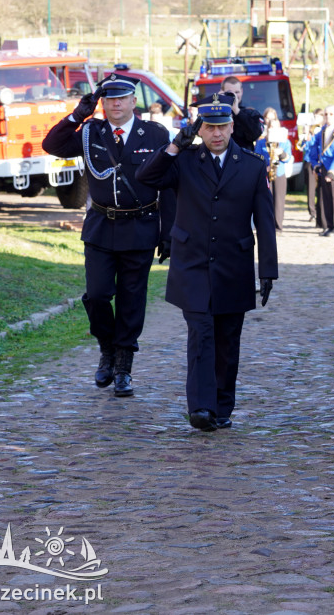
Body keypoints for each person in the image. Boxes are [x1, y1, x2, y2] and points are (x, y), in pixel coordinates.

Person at [136, 94, 278, 432]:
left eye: (222, 126)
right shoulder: (184, 160)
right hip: (193, 264)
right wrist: (174, 146)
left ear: (232, 127)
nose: (216, 133)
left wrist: (267, 271)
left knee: (227, 339)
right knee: (201, 334)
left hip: (234, 265)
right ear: (199, 129)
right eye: (209, 127)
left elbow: (265, 221)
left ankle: (221, 406)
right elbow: (146, 177)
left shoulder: (253, 165)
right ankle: (201, 407)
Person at [42, 73, 175, 398]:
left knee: (132, 299)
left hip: (140, 227)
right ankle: (106, 347)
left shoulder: (155, 133)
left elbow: (169, 184)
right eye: (109, 99)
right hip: (101, 227)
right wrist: (78, 115)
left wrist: (168, 231)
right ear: (102, 103)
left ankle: (123, 366)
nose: (115, 104)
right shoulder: (91, 132)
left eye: (122, 98)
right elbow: (52, 145)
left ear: (133, 101)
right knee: (98, 294)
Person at [307, 106, 334, 236]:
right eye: (326, 114)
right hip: (324, 167)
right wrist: (315, 164)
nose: (328, 116)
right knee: (326, 197)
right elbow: (313, 147)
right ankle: (330, 225)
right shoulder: (322, 130)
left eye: (331, 114)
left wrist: (333, 171)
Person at [257, 107, 290, 230]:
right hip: (266, 173)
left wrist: (281, 153)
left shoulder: (285, 142)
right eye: (271, 127)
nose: (274, 129)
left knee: (279, 201)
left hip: (279, 173)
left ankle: (278, 225)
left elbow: (287, 158)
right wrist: (265, 167)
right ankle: (267, 225)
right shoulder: (261, 142)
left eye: (276, 127)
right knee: (266, 200)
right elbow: (257, 157)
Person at [220, 75, 264, 150]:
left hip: (243, 155)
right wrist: (217, 104)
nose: (234, 96)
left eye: (237, 92)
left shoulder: (251, 113)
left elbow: (254, 134)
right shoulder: (215, 111)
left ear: (242, 91)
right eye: (229, 93)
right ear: (222, 92)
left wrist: (237, 111)